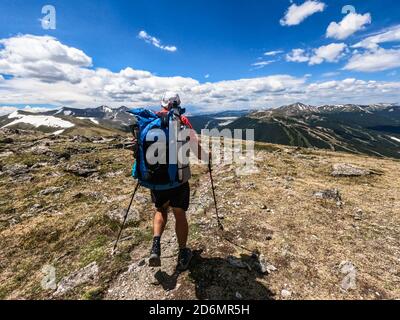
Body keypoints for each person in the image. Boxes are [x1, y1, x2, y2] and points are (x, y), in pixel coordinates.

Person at [146, 92, 209, 271]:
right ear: (178, 104)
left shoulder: (151, 122)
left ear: (162, 104)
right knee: (179, 213)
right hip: (179, 179)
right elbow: (197, 150)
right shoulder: (183, 121)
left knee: (160, 210)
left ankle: (156, 246)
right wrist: (207, 157)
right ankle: (182, 253)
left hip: (156, 179)